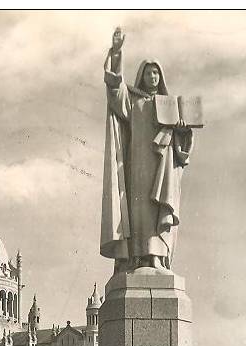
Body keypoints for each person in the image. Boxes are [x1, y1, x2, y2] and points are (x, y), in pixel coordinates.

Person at [101, 27, 195, 273]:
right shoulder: (134, 101)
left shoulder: (170, 106)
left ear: (160, 77)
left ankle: (156, 257)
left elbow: (182, 149)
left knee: (157, 212)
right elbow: (114, 89)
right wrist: (116, 53)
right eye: (148, 72)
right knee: (140, 210)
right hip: (138, 167)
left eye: (156, 73)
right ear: (141, 76)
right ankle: (138, 257)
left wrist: (183, 131)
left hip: (163, 167)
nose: (152, 77)